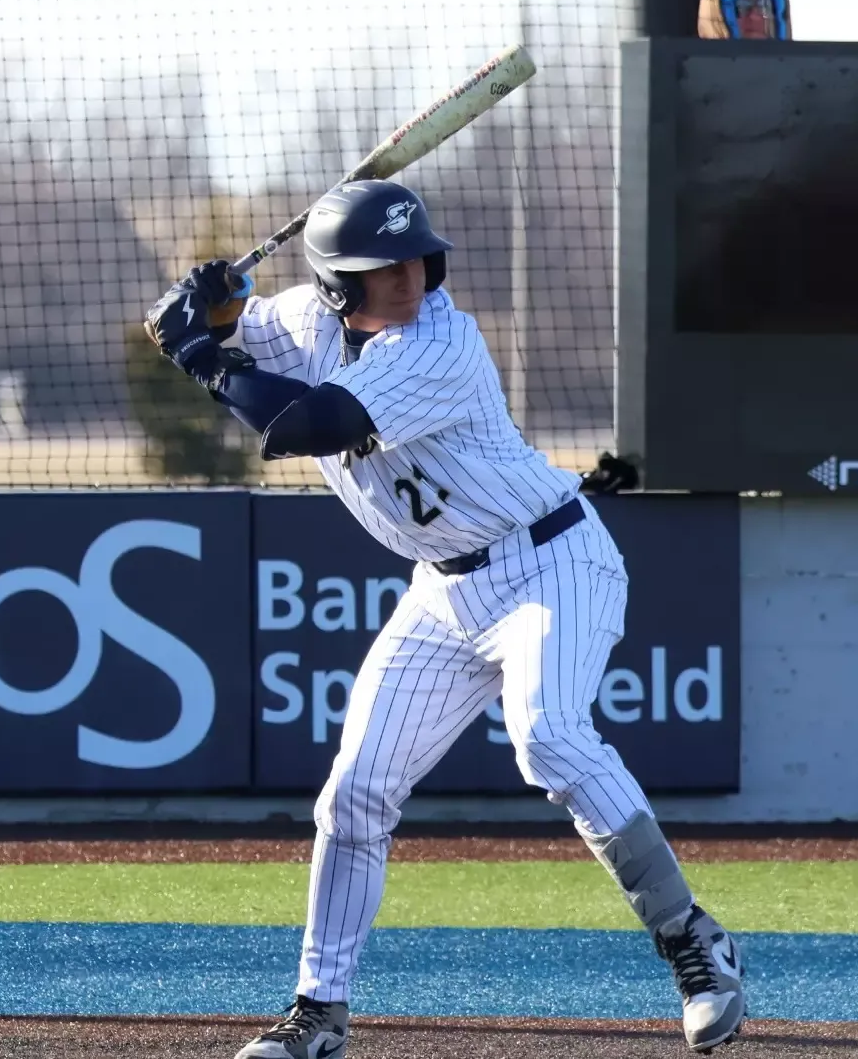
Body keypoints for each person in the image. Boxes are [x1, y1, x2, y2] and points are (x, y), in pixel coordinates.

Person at [143, 180, 746, 1057]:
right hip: (445, 589)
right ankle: (318, 1013)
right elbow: (240, 326)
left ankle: (691, 936)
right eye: (381, 267)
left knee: (547, 736)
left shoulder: (438, 344)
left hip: (550, 561)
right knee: (353, 794)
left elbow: (307, 423)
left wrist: (198, 353)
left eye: (417, 258)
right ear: (335, 285)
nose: (408, 278)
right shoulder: (307, 319)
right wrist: (202, 308)